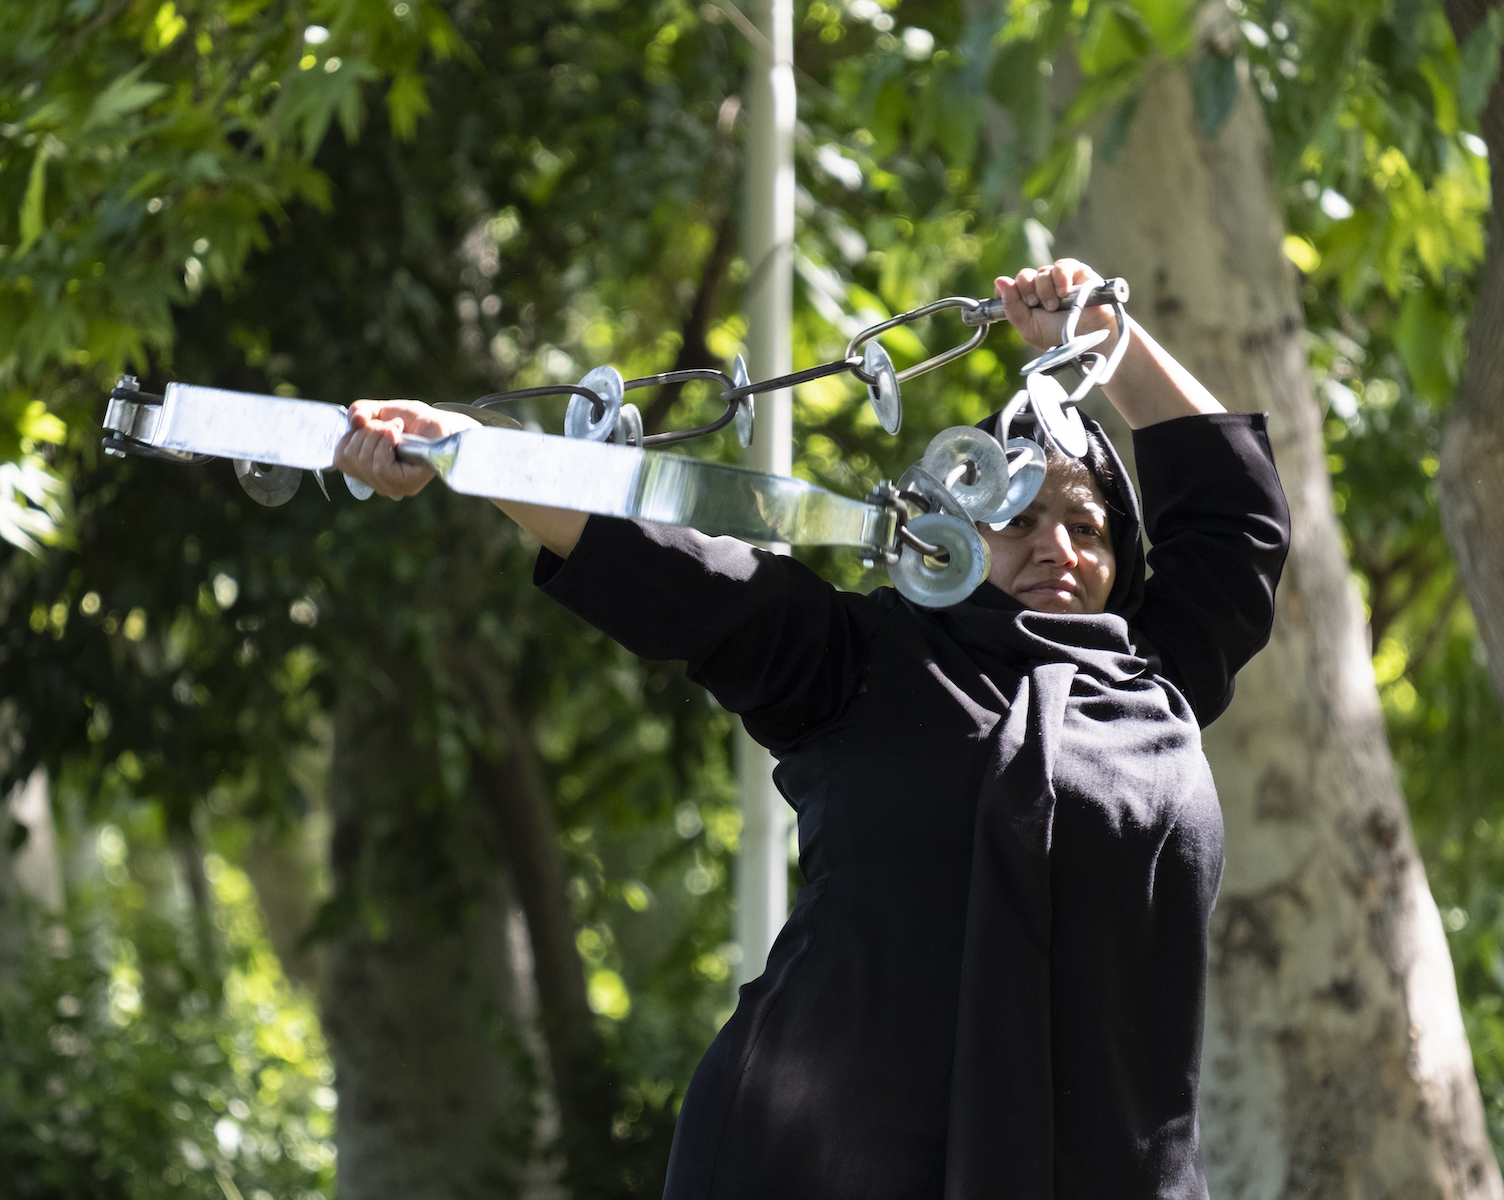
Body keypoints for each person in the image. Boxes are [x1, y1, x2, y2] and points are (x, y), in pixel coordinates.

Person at [334, 260, 1291, 1200]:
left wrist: (1105, 337)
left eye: (1088, 528)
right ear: (953, 533)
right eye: (1018, 519)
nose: (1059, 549)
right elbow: (678, 572)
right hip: (820, 1161)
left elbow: (1236, 517)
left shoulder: (1156, 677)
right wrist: (473, 452)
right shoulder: (864, 658)